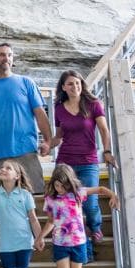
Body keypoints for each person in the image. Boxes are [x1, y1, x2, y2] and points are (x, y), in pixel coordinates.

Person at [0, 43, 53, 191]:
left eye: (9, 55)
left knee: (33, 197)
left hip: (25, 152)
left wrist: (47, 141)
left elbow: (40, 114)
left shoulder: (26, 83)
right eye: (2, 55)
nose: (6, 58)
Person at [49, 69, 116, 247]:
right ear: (63, 87)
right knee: (65, 202)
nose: (75, 86)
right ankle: (75, 234)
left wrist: (107, 152)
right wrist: (48, 145)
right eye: (70, 84)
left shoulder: (93, 104)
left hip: (88, 161)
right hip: (65, 162)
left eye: (77, 83)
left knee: (90, 204)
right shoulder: (59, 108)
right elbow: (59, 137)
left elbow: (104, 130)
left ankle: (95, 227)